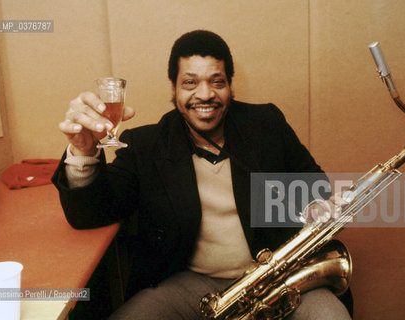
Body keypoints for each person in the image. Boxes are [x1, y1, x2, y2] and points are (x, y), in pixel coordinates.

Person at [53, 30, 352, 319]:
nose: (205, 94)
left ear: (230, 87)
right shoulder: (145, 145)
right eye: (190, 83)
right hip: (189, 285)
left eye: (217, 82)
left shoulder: (267, 124)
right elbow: (90, 214)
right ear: (173, 88)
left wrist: (317, 207)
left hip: (279, 278)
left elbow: (313, 185)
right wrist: (82, 151)